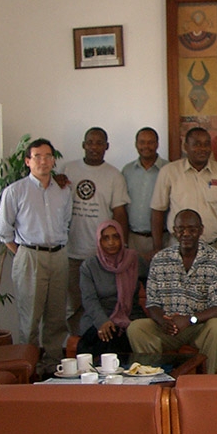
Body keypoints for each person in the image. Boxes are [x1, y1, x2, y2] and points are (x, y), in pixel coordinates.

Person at [0, 138, 73, 375]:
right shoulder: (15, 191)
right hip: (29, 255)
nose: (43, 161)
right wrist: (24, 255)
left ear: (54, 160)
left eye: (48, 156)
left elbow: (67, 222)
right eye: (37, 156)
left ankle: (52, 366)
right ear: (28, 161)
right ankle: (28, 370)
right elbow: (4, 232)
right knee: (30, 318)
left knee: (57, 316)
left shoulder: (63, 189)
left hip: (59, 256)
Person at [127, 209, 217, 374]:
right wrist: (163, 321)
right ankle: (155, 377)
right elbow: (152, 303)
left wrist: (190, 320)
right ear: (174, 231)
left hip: (199, 326)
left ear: (201, 230)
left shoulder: (216, 260)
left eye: (192, 229)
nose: (186, 234)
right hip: (167, 327)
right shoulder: (160, 259)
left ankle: (205, 380)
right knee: (136, 328)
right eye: (181, 229)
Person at [61, 127, 130, 337]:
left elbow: (119, 214)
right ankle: (78, 346)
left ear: (106, 147)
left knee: (101, 303)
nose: (94, 147)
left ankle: (99, 346)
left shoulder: (114, 175)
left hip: (102, 256)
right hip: (73, 252)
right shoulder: (68, 170)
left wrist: (121, 249)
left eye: (99, 143)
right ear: (83, 145)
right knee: (76, 306)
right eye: (90, 142)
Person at [150, 127, 217, 255]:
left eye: (206, 144)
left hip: (214, 246)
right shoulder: (169, 172)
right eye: (196, 144)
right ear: (185, 146)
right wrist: (157, 247)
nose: (202, 149)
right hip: (177, 246)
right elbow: (158, 211)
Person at [77, 219, 147, 356]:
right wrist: (102, 321)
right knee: (106, 340)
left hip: (131, 317)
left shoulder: (135, 260)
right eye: (105, 238)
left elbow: (152, 287)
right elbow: (89, 299)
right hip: (98, 319)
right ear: (99, 241)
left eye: (116, 237)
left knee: (126, 338)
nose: (111, 242)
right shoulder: (89, 266)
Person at [122, 127, 167, 260]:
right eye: (142, 142)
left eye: (150, 142)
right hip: (133, 239)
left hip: (162, 239)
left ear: (157, 144)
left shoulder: (169, 170)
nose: (146, 146)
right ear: (136, 144)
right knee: (132, 279)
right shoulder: (127, 170)